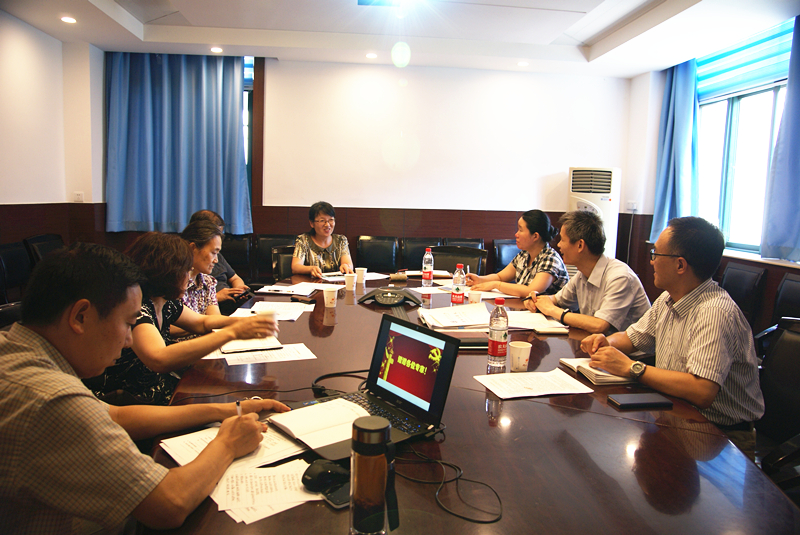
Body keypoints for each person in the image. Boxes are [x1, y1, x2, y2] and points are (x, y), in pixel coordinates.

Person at [0, 243, 290, 534]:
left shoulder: (15, 350)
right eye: (128, 324)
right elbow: (169, 504)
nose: (129, 340)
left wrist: (228, 410)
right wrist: (227, 444)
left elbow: (115, 416)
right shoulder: (50, 400)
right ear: (80, 317)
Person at [580, 216, 764, 457]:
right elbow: (633, 338)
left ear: (680, 265)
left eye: (656, 254)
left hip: (720, 437)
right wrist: (605, 341)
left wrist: (633, 368)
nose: (651, 261)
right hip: (677, 415)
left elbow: (702, 391)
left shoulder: (714, 312)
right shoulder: (668, 299)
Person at [85, 232, 278, 405]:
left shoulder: (166, 302)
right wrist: (232, 333)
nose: (189, 277)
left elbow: (201, 322)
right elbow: (159, 358)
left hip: (163, 392)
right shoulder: (139, 307)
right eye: (186, 270)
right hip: (135, 401)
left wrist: (245, 323)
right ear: (167, 272)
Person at [526, 210, 650, 334]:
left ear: (580, 245)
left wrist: (553, 310)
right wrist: (537, 300)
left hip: (628, 347)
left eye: (562, 240)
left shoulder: (620, 277)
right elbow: (557, 300)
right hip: (598, 343)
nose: (558, 245)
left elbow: (600, 325)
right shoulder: (582, 275)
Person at [466, 209, 569, 298]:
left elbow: (531, 291)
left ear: (535, 236)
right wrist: (479, 279)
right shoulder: (524, 255)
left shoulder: (550, 259)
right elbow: (500, 277)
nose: (516, 234)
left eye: (520, 230)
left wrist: (496, 285)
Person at [189, 210, 251, 314]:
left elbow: (211, 320)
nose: (216, 260)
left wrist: (238, 290)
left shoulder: (208, 281)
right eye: (213, 252)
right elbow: (196, 319)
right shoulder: (180, 279)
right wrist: (217, 297)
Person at [292, 201, 354, 278]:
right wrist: (310, 269)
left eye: (331, 220)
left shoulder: (341, 240)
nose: (327, 224)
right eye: (322, 221)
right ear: (312, 223)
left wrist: (346, 266)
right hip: (311, 283)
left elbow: (348, 264)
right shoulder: (303, 240)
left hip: (336, 284)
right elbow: (295, 267)